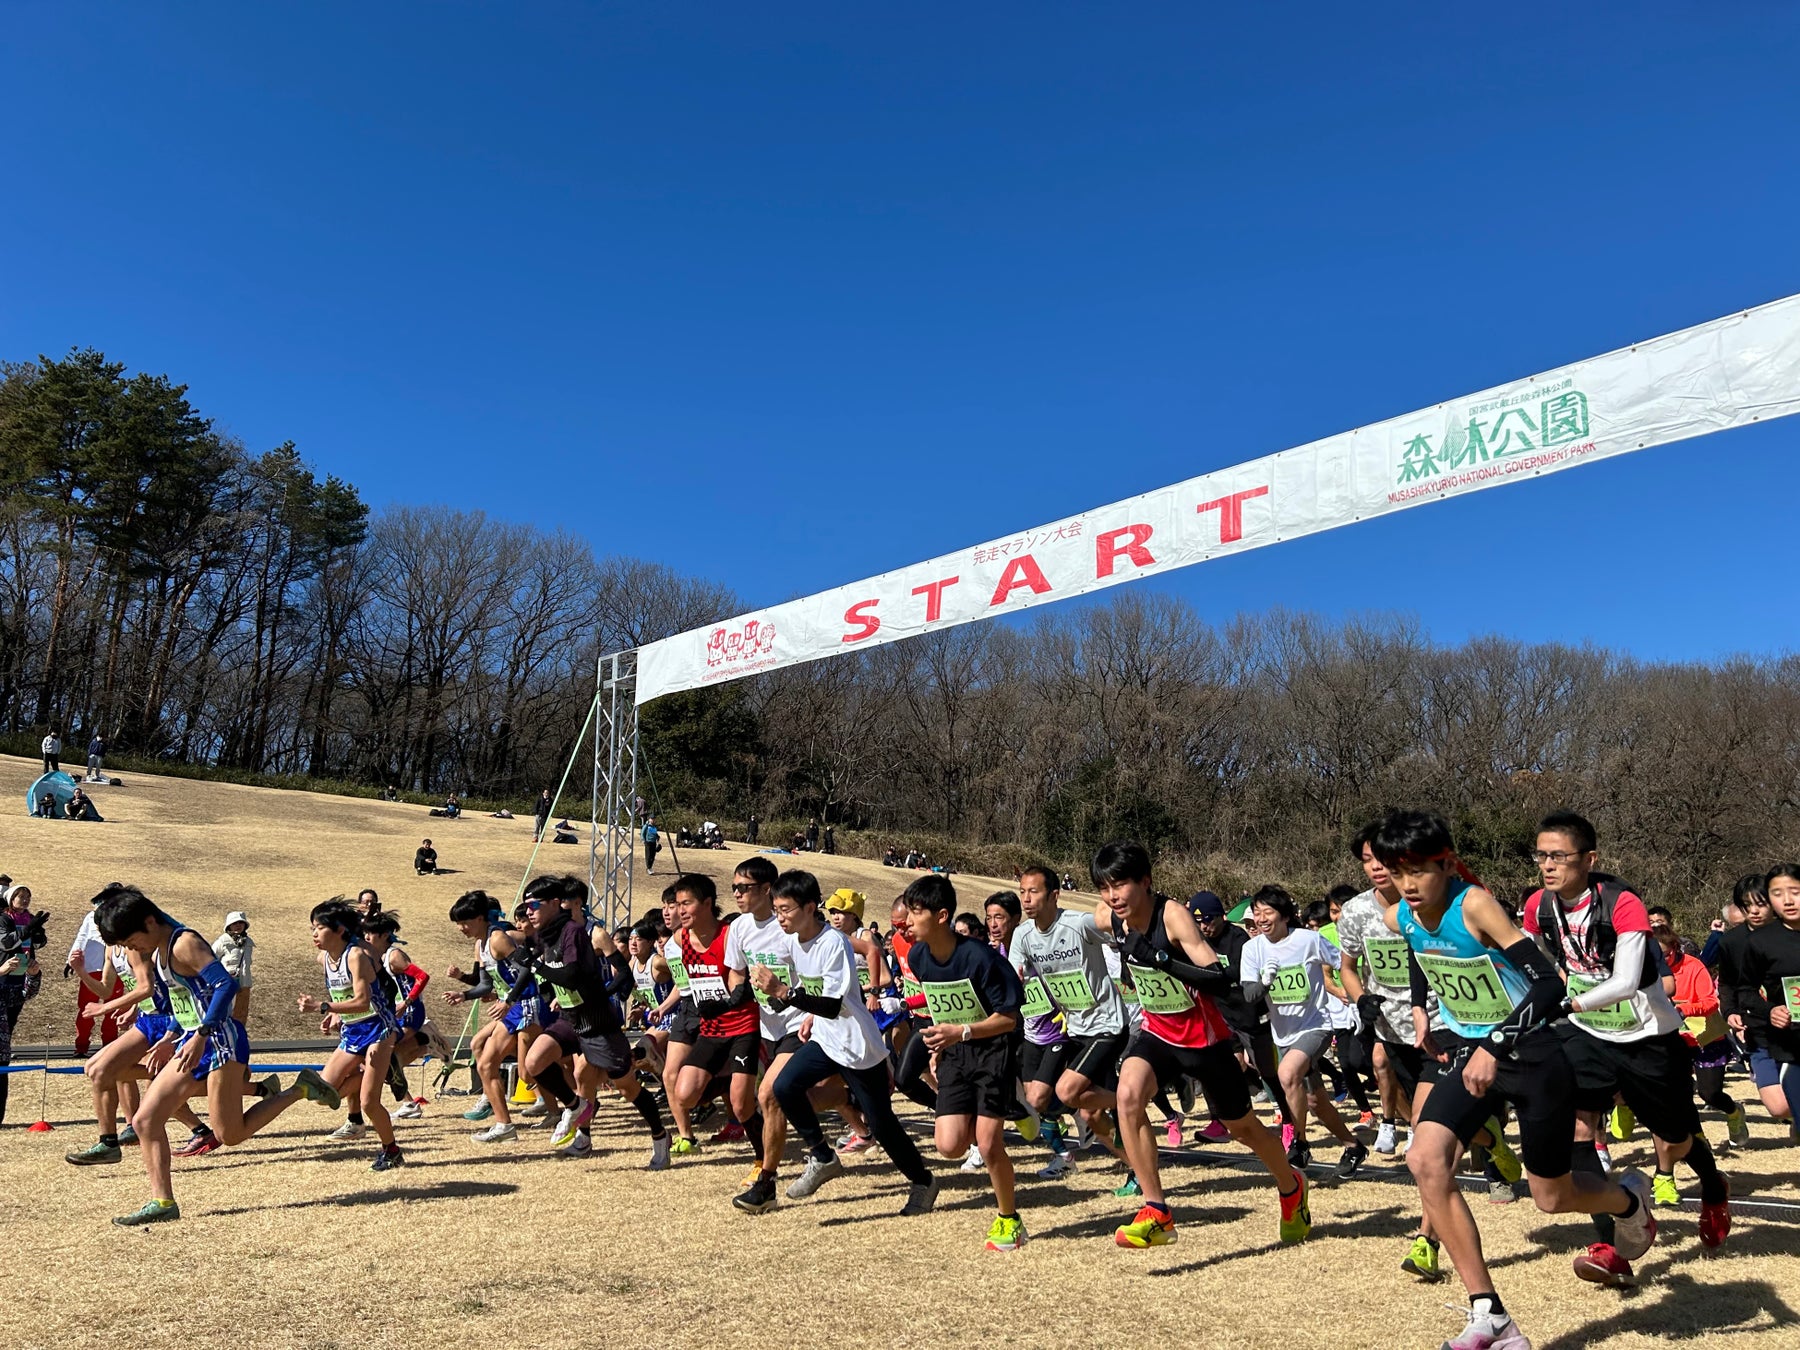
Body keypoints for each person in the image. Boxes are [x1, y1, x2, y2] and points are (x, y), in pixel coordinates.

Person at [1373, 811, 1655, 1350]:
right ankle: (1491, 1314)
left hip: (1529, 1056)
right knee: (1425, 1158)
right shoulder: (1401, 912)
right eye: (1395, 870)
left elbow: (1547, 984)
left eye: (1418, 871)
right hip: (1466, 1052)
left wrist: (1494, 1043)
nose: (1407, 884)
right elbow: (1414, 945)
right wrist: (1419, 1008)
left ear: (1447, 863)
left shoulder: (1473, 904)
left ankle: (1627, 1201)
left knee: (1552, 1197)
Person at [1524, 810, 1730, 1269]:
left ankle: (1714, 1186)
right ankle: (1614, 1242)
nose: (1548, 865)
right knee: (1580, 1128)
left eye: (1559, 856)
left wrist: (1569, 1003)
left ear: (1589, 857)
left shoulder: (1621, 902)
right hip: (1588, 1035)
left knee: (1674, 1138)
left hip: (1647, 1035)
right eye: (1542, 856)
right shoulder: (1539, 906)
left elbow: (1625, 981)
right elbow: (1530, 957)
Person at [1094, 844, 1310, 1249]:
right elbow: (1087, 918)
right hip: (1158, 1032)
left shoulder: (1172, 916)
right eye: (1105, 887)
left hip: (1203, 1040)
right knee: (1127, 1095)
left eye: (1120, 884)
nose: (1113, 895)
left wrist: (1160, 959)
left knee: (1242, 1128)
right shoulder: (1112, 917)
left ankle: (1291, 1186)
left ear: (1146, 882)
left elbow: (1216, 977)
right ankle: (1156, 1210)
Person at [95, 884, 340, 1224]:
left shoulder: (184, 944)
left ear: (149, 922)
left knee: (230, 1135)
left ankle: (301, 1088)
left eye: (128, 940)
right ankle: (163, 1203)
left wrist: (202, 1033)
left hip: (219, 1040)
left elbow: (225, 985)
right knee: (145, 1120)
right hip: (191, 1041)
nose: (129, 949)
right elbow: (184, 1004)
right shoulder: (159, 948)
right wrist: (171, 1036)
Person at [743, 869, 939, 1216]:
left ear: (809, 907)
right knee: (783, 1087)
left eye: (785, 909)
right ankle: (822, 1156)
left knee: (882, 1125)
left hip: (858, 1046)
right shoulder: (792, 940)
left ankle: (923, 1180)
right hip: (825, 1039)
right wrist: (791, 1005)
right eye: (776, 909)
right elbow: (811, 994)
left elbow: (832, 1005)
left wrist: (783, 993)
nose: (780, 918)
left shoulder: (833, 943)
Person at [902, 873, 1027, 1251]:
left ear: (942, 916)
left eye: (915, 911)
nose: (907, 920)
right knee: (949, 1145)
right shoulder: (918, 956)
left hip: (993, 1051)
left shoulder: (980, 959)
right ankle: (1013, 1104)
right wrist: (943, 1044)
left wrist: (963, 1032)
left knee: (989, 1146)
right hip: (955, 1053)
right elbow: (943, 1009)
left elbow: (1009, 1018)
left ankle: (1009, 1220)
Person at [509, 874, 671, 1167]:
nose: (528, 912)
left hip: (597, 1020)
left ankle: (660, 1136)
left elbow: (614, 974)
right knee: (536, 1065)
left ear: (567, 903)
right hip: (570, 1018)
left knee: (626, 1087)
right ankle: (578, 1119)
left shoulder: (587, 933)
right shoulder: (542, 933)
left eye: (534, 905)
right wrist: (540, 990)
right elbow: (541, 968)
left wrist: (596, 993)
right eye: (526, 906)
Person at [1012, 865, 1131, 1177]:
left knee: (1067, 1092)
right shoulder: (1023, 935)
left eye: (1033, 892)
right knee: (1089, 1113)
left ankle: (1131, 1098)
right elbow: (1013, 973)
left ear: (1054, 895)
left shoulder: (1077, 924)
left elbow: (1113, 926)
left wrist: (1109, 912)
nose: (1026, 899)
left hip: (1107, 1025)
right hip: (1073, 1029)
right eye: (1022, 892)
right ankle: (1135, 1165)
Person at [1240, 884, 1366, 1177]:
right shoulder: (1252, 949)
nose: (1261, 919)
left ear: (1284, 915)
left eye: (1267, 912)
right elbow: (1249, 995)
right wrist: (1267, 981)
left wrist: (1357, 998)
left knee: (1287, 1074)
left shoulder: (1310, 940)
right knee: (1315, 1102)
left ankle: (1299, 1141)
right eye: (1256, 913)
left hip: (1316, 1025)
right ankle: (1353, 1146)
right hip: (1283, 1032)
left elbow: (1346, 964)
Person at [296, 900, 405, 1171]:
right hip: (353, 1030)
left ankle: (391, 1151)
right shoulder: (324, 958)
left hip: (378, 1028)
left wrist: (323, 1006)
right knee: (323, 1093)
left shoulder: (356, 955)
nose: (314, 934)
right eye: (312, 928)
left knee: (369, 1103)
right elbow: (342, 997)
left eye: (320, 928)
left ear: (340, 930)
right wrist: (334, 1015)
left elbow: (362, 1001)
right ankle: (380, 1070)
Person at [726, 856, 807, 1205]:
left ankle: (766, 1181)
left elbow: (810, 974)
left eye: (743, 888)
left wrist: (787, 996)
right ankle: (831, 1138)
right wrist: (738, 992)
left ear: (767, 889)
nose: (737, 895)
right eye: (733, 888)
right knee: (801, 1098)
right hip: (765, 1028)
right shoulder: (741, 927)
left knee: (768, 1095)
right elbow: (736, 971)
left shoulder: (789, 928)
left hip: (799, 1023)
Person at [669, 872, 764, 1168]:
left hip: (742, 1025)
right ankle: (730, 1082)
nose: (680, 911)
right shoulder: (680, 937)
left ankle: (762, 1157)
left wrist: (726, 1001)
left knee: (739, 1104)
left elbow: (742, 980)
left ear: (707, 903)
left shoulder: (729, 934)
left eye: (687, 904)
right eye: (677, 904)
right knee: (684, 1095)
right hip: (711, 1028)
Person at [441, 890, 544, 1142]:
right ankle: (504, 1126)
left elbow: (527, 971)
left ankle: (573, 1103)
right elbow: (486, 985)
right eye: (458, 924)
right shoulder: (481, 944)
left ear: (480, 918)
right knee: (486, 1064)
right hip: (511, 1009)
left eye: (465, 923)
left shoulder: (498, 938)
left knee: (528, 1073)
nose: (461, 928)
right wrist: (464, 995)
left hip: (526, 1004)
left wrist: (508, 1001)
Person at [1661, 928, 1745, 1144]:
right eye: (1655, 955)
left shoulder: (1693, 966)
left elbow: (1710, 1001)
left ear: (1675, 949)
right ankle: (1698, 1138)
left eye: (1665, 955)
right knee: (1681, 1092)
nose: (1661, 960)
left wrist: (1684, 1009)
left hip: (1706, 1037)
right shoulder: (1648, 970)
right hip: (1673, 1040)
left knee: (1710, 1093)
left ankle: (1734, 1112)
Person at [1740, 863, 1800, 1141]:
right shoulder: (1761, 942)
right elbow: (1746, 991)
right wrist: (1771, 1010)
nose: (1787, 900)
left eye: (1795, 891)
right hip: (1791, 1046)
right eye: (1777, 893)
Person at [0, 888, 46, 1125]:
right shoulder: (4, 918)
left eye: (28, 895)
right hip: (6, 976)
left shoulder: (29, 917)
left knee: (2, 1061)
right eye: (20, 895)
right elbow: (7, 943)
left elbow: (27, 993)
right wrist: (2, 971)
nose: (25, 899)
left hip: (17, 980)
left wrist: (34, 975)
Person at [68, 894, 124, 1056]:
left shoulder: (123, 918)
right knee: (85, 1009)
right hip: (92, 968)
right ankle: (81, 1045)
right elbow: (82, 936)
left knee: (112, 1009)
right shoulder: (92, 916)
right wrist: (71, 959)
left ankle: (109, 1046)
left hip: (115, 969)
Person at [214, 912, 255, 1025]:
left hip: (244, 983)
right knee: (224, 1011)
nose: (238, 925)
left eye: (241, 923)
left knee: (241, 1012)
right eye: (235, 923)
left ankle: (239, 1037)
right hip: (226, 983)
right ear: (229, 926)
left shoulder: (248, 942)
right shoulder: (222, 942)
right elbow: (211, 960)